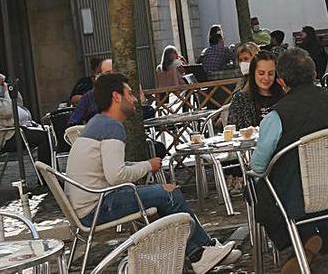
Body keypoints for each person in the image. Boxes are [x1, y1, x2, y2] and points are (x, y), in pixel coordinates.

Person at [65, 73, 239, 274]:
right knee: (169, 194)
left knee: (165, 192)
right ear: (116, 97)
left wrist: (145, 170)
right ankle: (200, 253)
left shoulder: (98, 123)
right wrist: (148, 165)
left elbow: (111, 170)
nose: (135, 99)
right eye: (130, 94)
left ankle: (201, 251)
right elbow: (116, 176)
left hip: (91, 203)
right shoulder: (112, 127)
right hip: (97, 208)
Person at [250, 48, 328, 273]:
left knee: (255, 189)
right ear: (314, 73)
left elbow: (258, 166)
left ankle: (298, 244)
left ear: (281, 81)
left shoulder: (277, 116)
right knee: (303, 186)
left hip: (296, 192)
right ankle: (319, 241)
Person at [0, 72, 51, 167]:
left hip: (22, 128)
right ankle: (46, 175)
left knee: (50, 133)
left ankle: (52, 171)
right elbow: (8, 111)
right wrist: (8, 92)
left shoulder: (1, 96)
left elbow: (19, 103)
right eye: (1, 84)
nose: (4, 86)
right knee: (44, 137)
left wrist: (13, 91)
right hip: (8, 137)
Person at [228, 51, 284, 128]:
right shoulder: (240, 99)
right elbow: (232, 130)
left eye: (270, 74)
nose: (266, 78)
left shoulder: (284, 98)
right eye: (261, 73)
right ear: (253, 73)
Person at [69, 57, 112, 124]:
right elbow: (73, 121)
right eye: (99, 73)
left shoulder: (118, 91)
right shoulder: (87, 94)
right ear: (94, 73)